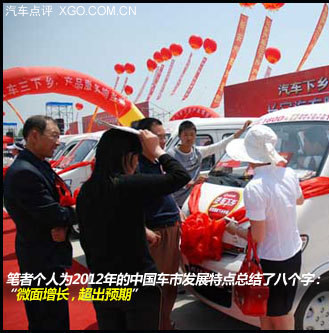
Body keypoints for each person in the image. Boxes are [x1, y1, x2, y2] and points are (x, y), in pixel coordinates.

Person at [76, 128, 190, 330]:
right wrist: (156, 151)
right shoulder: (127, 184)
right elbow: (180, 176)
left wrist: (139, 229)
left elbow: (96, 230)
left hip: (103, 282)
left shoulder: (88, 189)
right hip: (137, 284)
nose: (138, 163)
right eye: (136, 157)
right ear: (127, 157)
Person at [224, 125, 304, 330]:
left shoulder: (255, 187)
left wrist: (234, 229)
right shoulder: (289, 173)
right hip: (292, 253)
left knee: (274, 314)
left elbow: (258, 236)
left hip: (270, 260)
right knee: (279, 311)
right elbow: (300, 200)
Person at [4, 115, 77, 330]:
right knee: (46, 318)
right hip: (40, 259)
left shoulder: (37, 165)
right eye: (54, 136)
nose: (58, 142)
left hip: (46, 254)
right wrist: (75, 212)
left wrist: (63, 222)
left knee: (54, 314)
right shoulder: (25, 172)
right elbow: (53, 214)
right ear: (34, 135)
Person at [132, 117, 184, 330]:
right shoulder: (136, 166)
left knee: (170, 286)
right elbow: (127, 204)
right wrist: (142, 229)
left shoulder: (157, 162)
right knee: (155, 288)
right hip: (155, 234)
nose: (163, 141)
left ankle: (164, 322)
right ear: (143, 137)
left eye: (164, 137)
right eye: (158, 136)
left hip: (171, 229)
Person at [167, 119, 252, 207]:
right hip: (176, 202)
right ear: (180, 136)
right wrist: (190, 183)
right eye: (185, 135)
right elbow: (169, 180)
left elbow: (221, 144)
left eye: (192, 135)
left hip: (192, 201)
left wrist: (242, 131)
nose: (189, 138)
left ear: (195, 136)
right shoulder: (171, 155)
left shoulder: (198, 152)